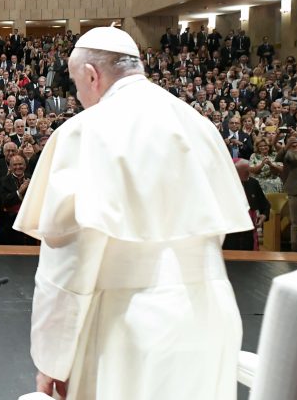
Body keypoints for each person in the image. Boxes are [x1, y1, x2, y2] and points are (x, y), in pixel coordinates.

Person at [14, 26, 251, 400]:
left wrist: (51, 359)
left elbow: (68, 265)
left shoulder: (85, 131)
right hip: (211, 318)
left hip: (130, 328)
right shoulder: (198, 124)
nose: (78, 97)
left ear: (92, 75)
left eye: (77, 85)